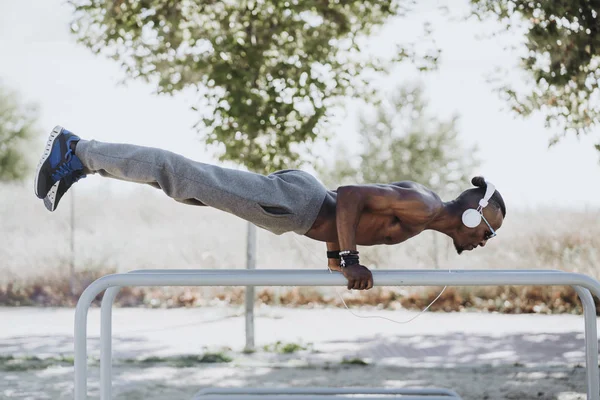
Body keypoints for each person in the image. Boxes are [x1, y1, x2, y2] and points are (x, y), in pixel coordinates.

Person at [34, 126, 506, 291]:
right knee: (182, 177)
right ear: (471, 216)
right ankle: (78, 151)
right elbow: (351, 196)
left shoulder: (421, 221)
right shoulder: (423, 205)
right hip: (297, 204)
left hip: (297, 207)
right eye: (488, 230)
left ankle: (81, 162)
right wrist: (350, 260)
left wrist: (334, 255)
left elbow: (353, 218)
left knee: (187, 188)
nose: (484, 240)